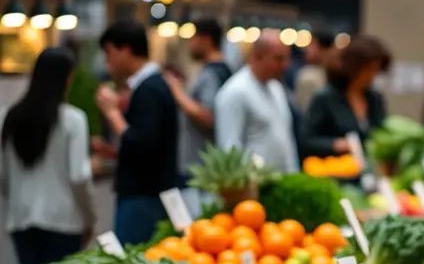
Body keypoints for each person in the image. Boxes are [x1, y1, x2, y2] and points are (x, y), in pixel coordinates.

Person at [0, 48, 97, 264]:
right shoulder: (73, 119)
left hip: (20, 217)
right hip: (64, 220)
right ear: (67, 77)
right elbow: (79, 176)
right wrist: (89, 219)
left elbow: (2, 173)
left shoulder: (8, 116)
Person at [95, 21, 179, 245]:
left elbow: (142, 144)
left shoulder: (149, 89)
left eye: (109, 53)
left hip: (143, 197)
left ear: (125, 50)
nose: (107, 61)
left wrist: (112, 113)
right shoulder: (152, 85)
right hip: (148, 195)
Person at [169, 17, 232, 213]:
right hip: (204, 167)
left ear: (206, 39)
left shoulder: (212, 74)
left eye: (192, 38)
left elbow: (208, 116)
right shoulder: (223, 71)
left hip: (200, 168)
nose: (190, 44)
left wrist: (176, 90)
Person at [215, 30, 299, 173]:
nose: (284, 65)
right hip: (253, 188)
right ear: (257, 56)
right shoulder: (235, 92)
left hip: (280, 184)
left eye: (286, 59)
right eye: (278, 59)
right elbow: (229, 150)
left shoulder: (276, 88)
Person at [302, 35, 390, 157]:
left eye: (376, 69)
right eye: (369, 69)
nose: (373, 75)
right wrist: (335, 144)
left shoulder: (375, 99)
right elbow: (306, 140)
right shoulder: (326, 98)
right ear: (354, 66)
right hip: (334, 169)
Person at [293, 30, 336, 111]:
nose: (306, 49)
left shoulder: (309, 76)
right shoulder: (308, 73)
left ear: (324, 49)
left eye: (311, 44)